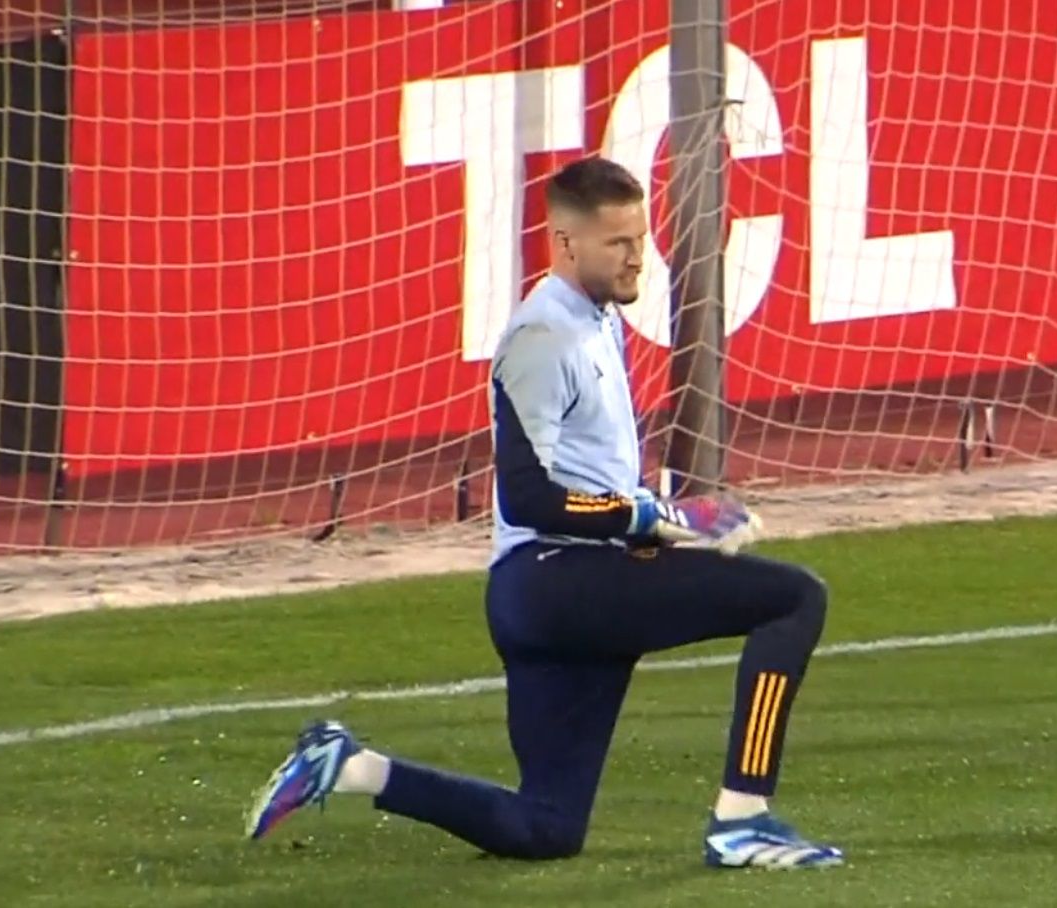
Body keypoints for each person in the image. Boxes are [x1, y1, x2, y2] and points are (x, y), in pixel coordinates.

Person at [245, 156, 842, 869]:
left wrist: (663, 514)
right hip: (560, 580)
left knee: (547, 827)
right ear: (565, 245)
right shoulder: (543, 337)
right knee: (794, 598)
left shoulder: (592, 322)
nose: (637, 259)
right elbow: (530, 497)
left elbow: (586, 477)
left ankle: (350, 767)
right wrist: (648, 520)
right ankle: (742, 818)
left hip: (559, 588)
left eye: (640, 239)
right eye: (618, 243)